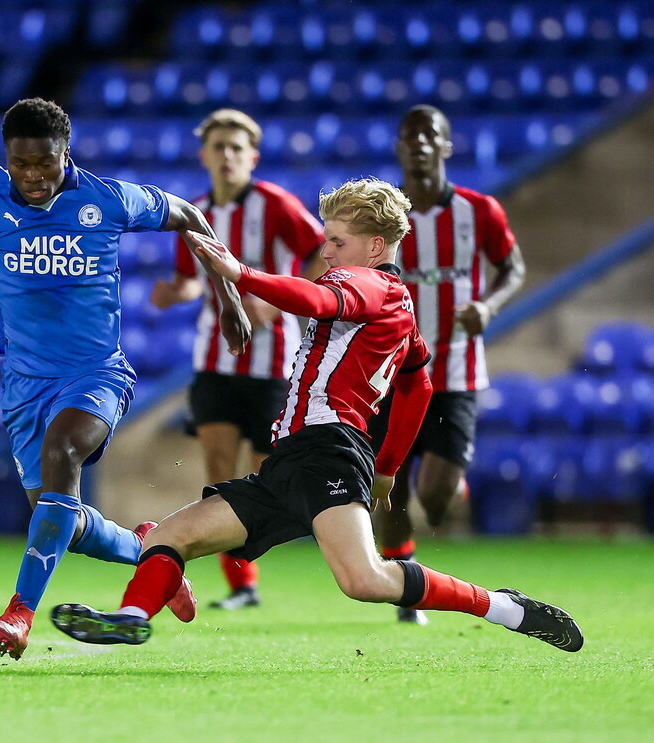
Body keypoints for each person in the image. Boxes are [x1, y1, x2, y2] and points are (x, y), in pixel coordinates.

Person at [49, 178, 583, 655]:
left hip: (326, 450)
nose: (325, 252)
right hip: (291, 460)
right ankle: (131, 618)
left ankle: (500, 606)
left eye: (336, 241)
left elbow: (319, 303)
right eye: (327, 240)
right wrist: (390, 464)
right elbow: (419, 381)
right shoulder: (398, 305)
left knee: (365, 580)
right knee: (170, 535)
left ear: (376, 247)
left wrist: (241, 273)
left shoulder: (373, 284)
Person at [0, 97, 252, 660]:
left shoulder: (105, 198)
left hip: (96, 375)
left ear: (67, 154)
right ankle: (147, 547)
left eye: (47, 163)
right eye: (22, 164)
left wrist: (229, 294)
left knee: (63, 453)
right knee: (61, 517)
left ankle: (20, 612)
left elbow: (188, 213)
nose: (34, 176)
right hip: (23, 384)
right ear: (7, 159)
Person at [151, 109, 326, 610]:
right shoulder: (196, 211)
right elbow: (189, 277)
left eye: (236, 148)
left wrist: (273, 302)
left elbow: (319, 254)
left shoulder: (274, 204)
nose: (227, 156)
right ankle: (242, 586)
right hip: (214, 359)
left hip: (274, 362)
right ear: (204, 155)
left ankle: (264, 563)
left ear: (253, 156)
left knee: (264, 474)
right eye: (218, 147)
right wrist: (175, 292)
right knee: (219, 470)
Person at [368, 104, 527, 625]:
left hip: (455, 370)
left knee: (435, 499)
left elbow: (512, 267)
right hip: (390, 372)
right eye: (408, 136)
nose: (418, 143)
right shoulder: (383, 217)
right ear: (398, 148)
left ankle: (448, 491)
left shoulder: (479, 211)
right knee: (389, 480)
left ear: (446, 146)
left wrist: (487, 307)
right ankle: (404, 581)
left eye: (429, 135)